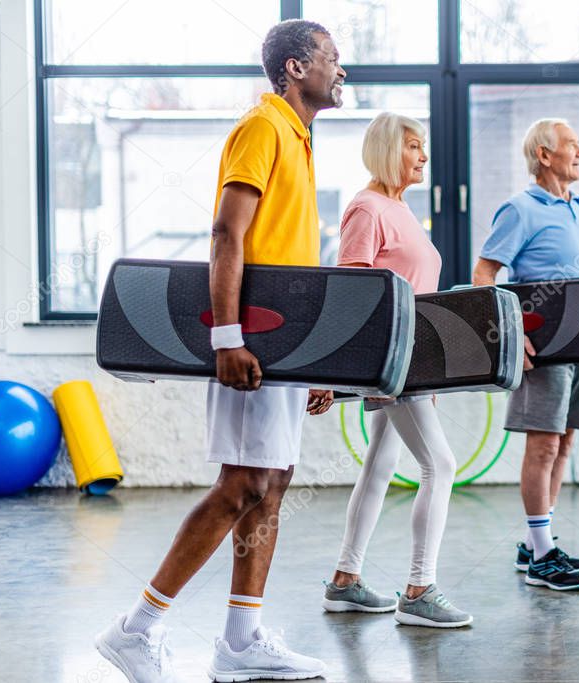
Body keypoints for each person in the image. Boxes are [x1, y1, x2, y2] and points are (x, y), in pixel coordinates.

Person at [95, 19, 346, 681]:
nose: (340, 71)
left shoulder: (299, 136)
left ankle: (239, 639)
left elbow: (289, 259)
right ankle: (136, 627)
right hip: (251, 342)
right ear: (295, 68)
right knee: (242, 485)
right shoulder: (262, 127)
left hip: (285, 347)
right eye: (331, 58)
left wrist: (316, 358)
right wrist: (227, 337)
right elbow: (226, 233)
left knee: (274, 482)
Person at [322, 112, 472, 628]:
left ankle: (345, 580)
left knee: (380, 465)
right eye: (414, 146)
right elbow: (351, 294)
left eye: (423, 147)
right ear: (389, 149)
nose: (423, 157)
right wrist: (341, 371)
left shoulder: (400, 209)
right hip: (390, 360)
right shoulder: (367, 209)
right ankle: (419, 588)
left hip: (413, 362)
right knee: (442, 465)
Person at [472, 118, 579, 591]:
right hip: (542, 348)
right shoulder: (519, 209)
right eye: (572, 145)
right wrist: (510, 336)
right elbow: (484, 274)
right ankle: (543, 554)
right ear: (545, 155)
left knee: (566, 443)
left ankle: (536, 542)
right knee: (544, 445)